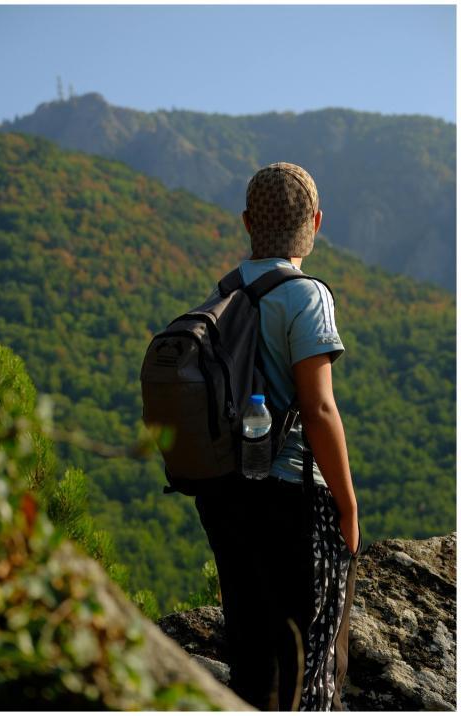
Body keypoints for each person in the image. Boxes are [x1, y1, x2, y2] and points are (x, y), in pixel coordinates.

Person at [194, 162, 361, 712]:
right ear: (316, 222)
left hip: (224, 494)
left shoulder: (223, 293)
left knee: (251, 652)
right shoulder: (306, 296)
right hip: (292, 495)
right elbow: (318, 408)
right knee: (307, 660)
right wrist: (348, 506)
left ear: (246, 222)